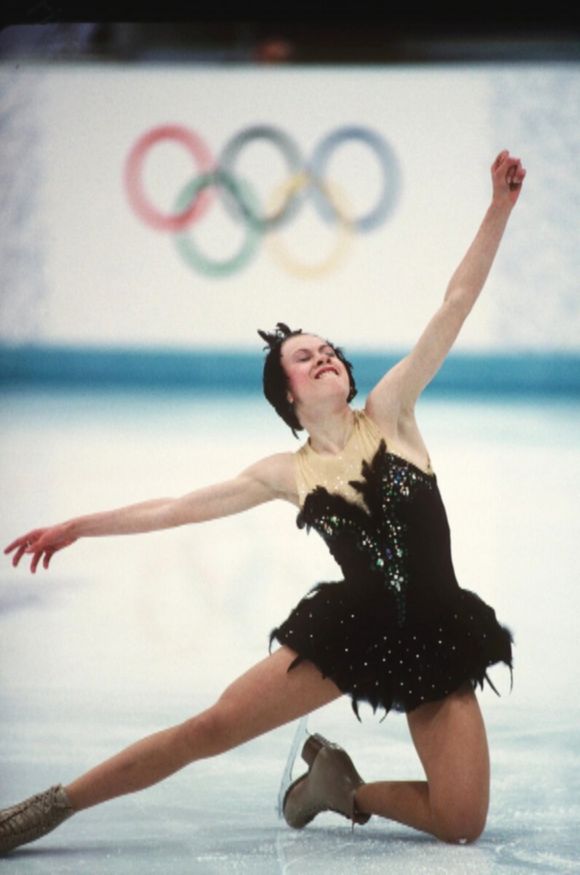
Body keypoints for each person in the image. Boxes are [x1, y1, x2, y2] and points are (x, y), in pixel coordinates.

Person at [1, 150, 526, 854]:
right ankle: (50, 807)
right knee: (208, 729)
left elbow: (454, 304)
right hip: (351, 632)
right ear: (288, 395)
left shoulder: (392, 413)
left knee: (461, 822)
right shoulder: (287, 472)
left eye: (328, 350)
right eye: (304, 357)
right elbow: (176, 508)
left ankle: (339, 788)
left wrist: (498, 208)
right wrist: (78, 525)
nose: (324, 357)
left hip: (436, 634)